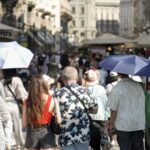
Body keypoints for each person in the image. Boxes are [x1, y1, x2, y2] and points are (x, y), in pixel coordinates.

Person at [54, 66, 98, 150]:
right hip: (83, 134)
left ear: (62, 78)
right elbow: (95, 110)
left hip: (66, 135)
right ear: (77, 77)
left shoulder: (58, 94)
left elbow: (55, 114)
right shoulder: (86, 91)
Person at [22, 74, 61, 150]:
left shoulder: (27, 102)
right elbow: (59, 120)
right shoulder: (51, 99)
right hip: (47, 132)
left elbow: (24, 125)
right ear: (43, 85)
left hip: (32, 132)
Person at [108, 73, 145, 150]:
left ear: (118, 74)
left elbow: (113, 110)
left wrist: (111, 125)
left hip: (123, 125)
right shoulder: (139, 86)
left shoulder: (117, 88)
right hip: (138, 123)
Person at [83, 69, 110, 150]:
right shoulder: (101, 89)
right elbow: (106, 104)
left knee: (91, 139)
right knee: (103, 136)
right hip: (101, 116)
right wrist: (108, 116)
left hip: (88, 117)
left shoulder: (83, 90)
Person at [2, 69, 28, 149]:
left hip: (5, 104)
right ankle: (20, 143)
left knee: (7, 126)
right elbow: (22, 94)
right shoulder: (17, 80)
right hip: (14, 104)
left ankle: (8, 143)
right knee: (18, 125)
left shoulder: (1, 81)